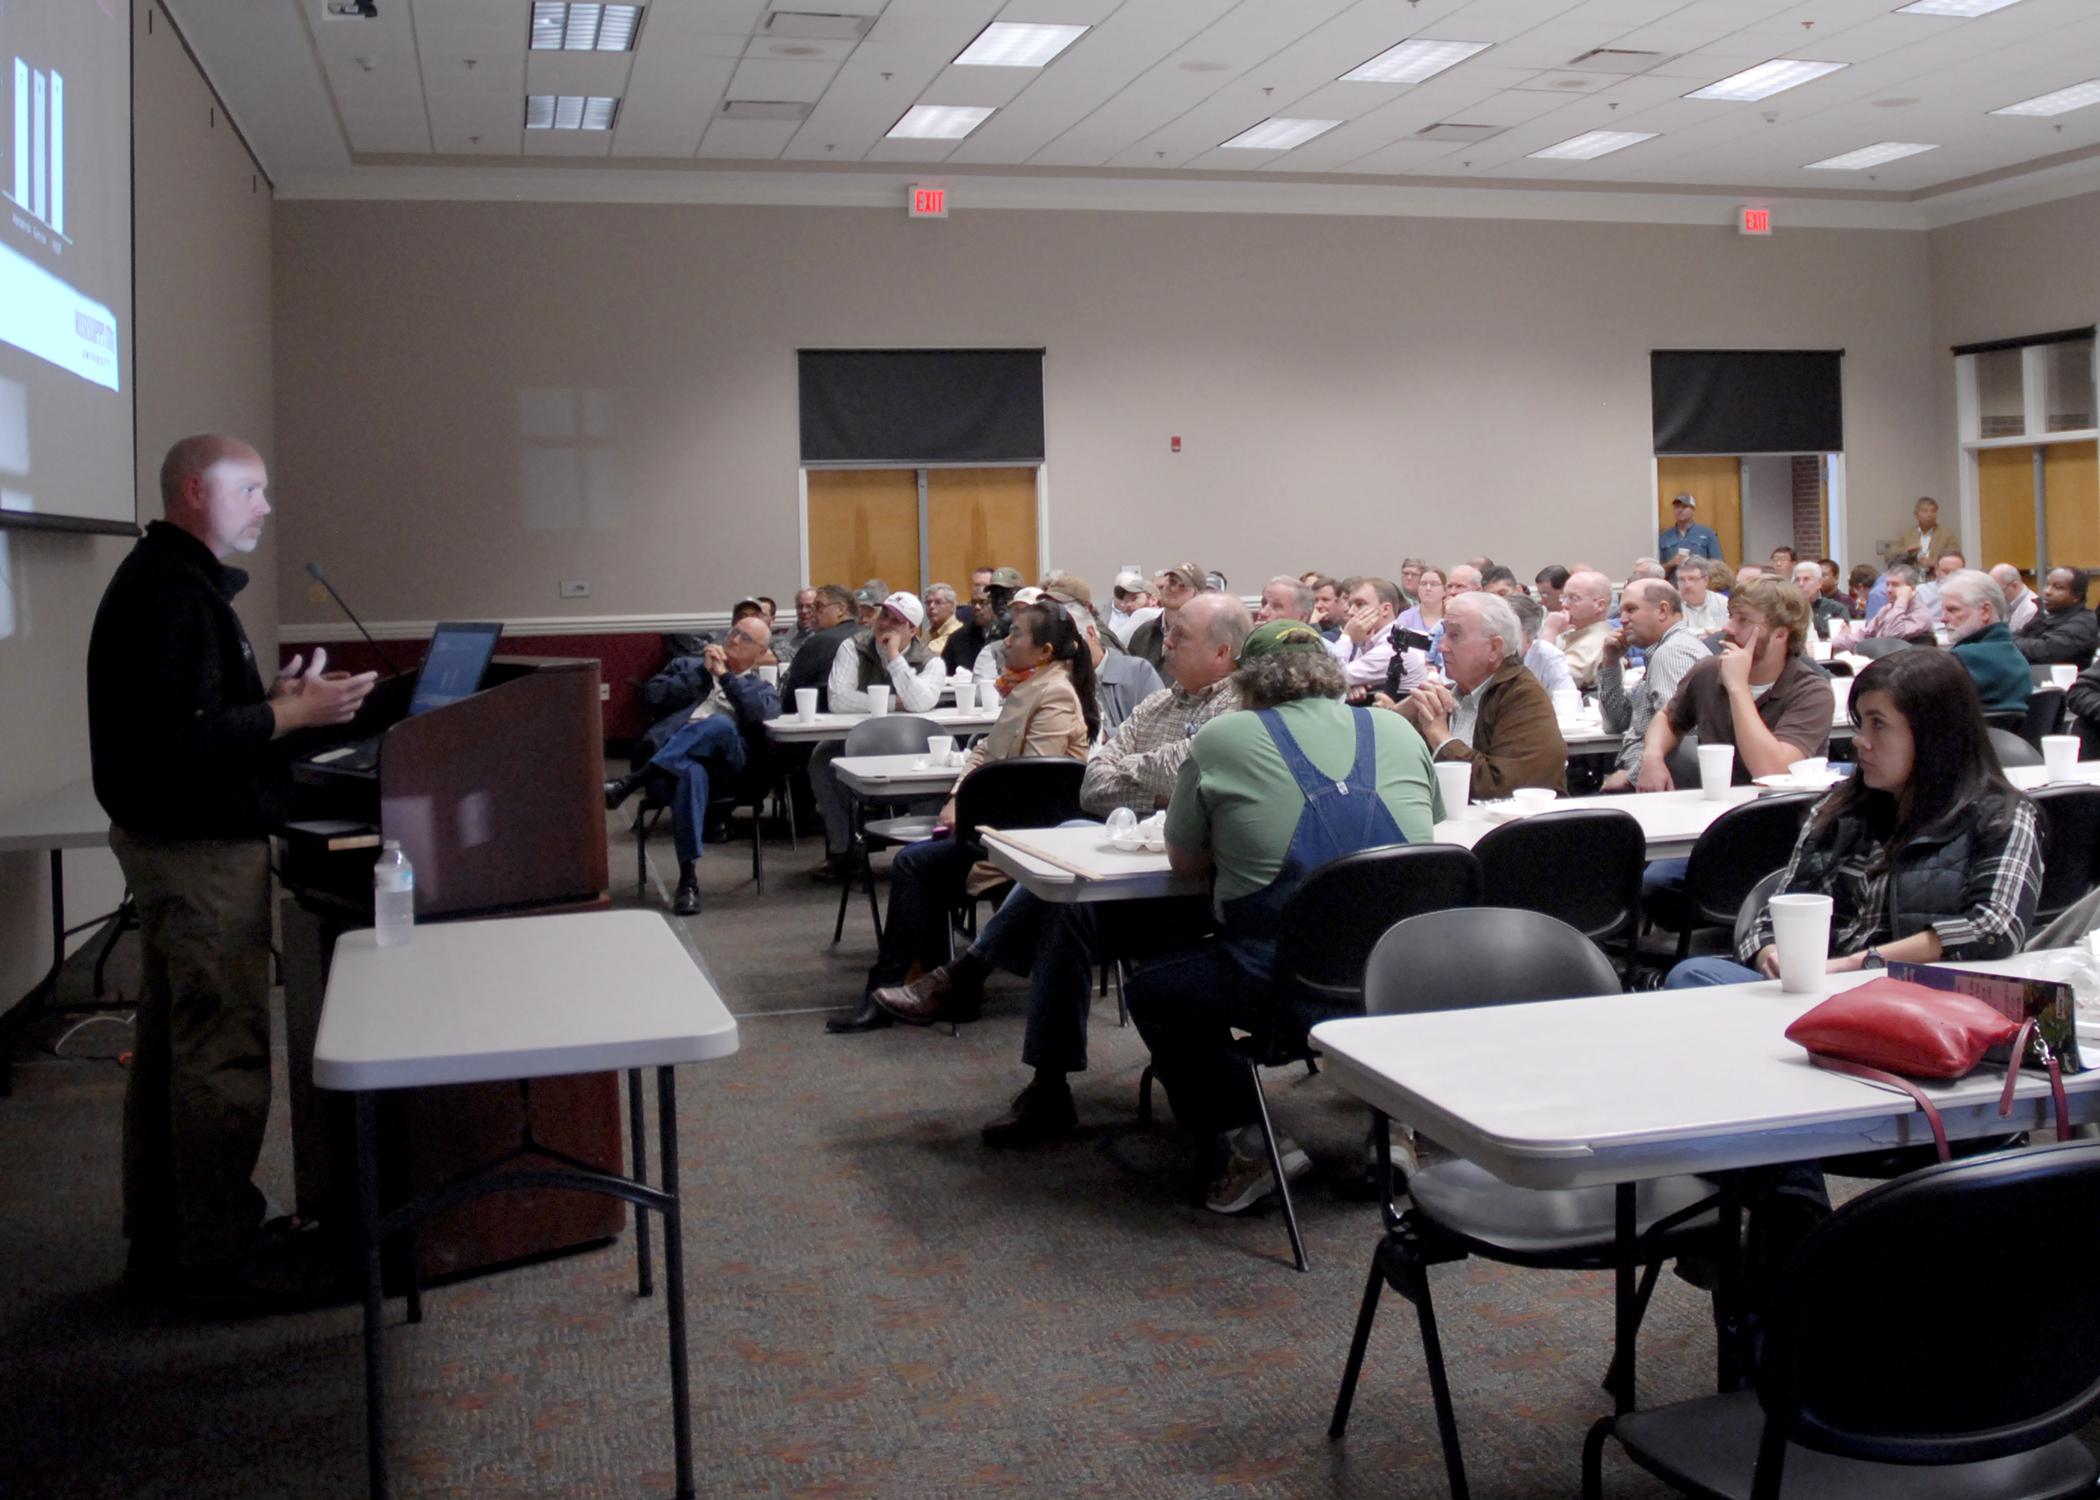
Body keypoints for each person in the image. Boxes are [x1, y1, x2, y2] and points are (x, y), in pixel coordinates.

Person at [89, 435, 378, 1303]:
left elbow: (199, 714)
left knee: (175, 1051)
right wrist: (290, 715)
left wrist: (276, 703)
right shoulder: (176, 594)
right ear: (193, 492)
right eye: (249, 490)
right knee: (221, 1054)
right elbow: (183, 741)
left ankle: (170, 1238)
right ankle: (216, 1256)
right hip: (200, 850)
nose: (264, 506)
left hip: (174, 841)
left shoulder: (169, 582)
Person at [870, 595, 1251, 1143]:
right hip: (1127, 870)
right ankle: (1046, 1086)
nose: (1164, 644)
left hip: (1194, 887)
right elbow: (1094, 783)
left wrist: (1146, 770)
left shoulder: (1237, 708)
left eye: (1178, 637)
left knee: (1068, 873)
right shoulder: (1159, 706)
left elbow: (1187, 766)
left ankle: (973, 984)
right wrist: (1159, 772)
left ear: (1222, 650)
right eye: (1166, 633)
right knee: (1066, 902)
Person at [1126, 621, 1444, 1213]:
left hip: (1278, 986)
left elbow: (1186, 862)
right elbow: (1435, 825)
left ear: (1244, 681)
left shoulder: (1223, 737)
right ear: (1330, 674)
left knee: (1154, 989)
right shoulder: (1395, 728)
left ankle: (1248, 1143)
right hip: (1406, 979)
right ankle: (1397, 1130)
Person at [1669, 648, 2039, 986]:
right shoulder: (1840, 809)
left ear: (1934, 734)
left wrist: (1857, 965)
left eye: (1878, 724)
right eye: (1860, 723)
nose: (1861, 740)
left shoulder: (2001, 814)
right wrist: (1771, 953)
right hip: (1817, 987)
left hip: (1915, 995)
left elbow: (1995, 928)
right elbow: (1771, 918)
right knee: (1691, 974)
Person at [829, 602, 1098, 1033]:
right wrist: (957, 796)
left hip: (1026, 843)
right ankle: (944, 990)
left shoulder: (1055, 694)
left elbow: (1034, 783)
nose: (1005, 641)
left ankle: (904, 988)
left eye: (1016, 635)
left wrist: (971, 808)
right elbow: (984, 752)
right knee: (922, 862)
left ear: (1044, 651)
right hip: (999, 830)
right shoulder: (1027, 686)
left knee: (914, 863)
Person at [606, 616, 779, 915]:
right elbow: (652, 697)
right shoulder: (688, 666)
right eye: (734, 632)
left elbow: (756, 716)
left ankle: (634, 781)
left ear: (761, 654)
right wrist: (702, 672)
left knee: (720, 724)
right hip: (677, 772)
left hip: (729, 772)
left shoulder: (761, 687)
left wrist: (725, 677)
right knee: (689, 771)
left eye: (745, 639)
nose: (734, 640)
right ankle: (688, 882)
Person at [1639, 574, 1834, 792]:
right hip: (1716, 810)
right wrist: (1653, 756)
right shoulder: (1709, 671)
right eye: (1730, 616)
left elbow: (1772, 773)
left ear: (1780, 635)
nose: (1729, 628)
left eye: (1744, 620)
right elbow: (1668, 717)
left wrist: (1738, 688)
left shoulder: (1812, 691)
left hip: (1784, 813)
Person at [1389, 591, 1567, 798]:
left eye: (1454, 635)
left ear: (1494, 647)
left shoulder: (1523, 697)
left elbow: (1503, 789)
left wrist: (1440, 737)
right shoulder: (1449, 696)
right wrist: (1399, 715)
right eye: (1444, 633)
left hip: (1512, 828)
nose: (1442, 646)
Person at [1598, 579, 1708, 792]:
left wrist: (1630, 777)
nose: (1622, 620)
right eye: (1621, 611)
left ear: (1662, 611)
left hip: (1654, 784)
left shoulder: (1672, 653)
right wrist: (1610, 663)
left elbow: (1681, 728)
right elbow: (1616, 723)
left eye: (1631, 610)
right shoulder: (1661, 651)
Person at [1061, 592, 1163, 735]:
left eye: (1067, 643)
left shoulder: (1138, 672)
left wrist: (1105, 735)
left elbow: (1159, 727)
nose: (1063, 653)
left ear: (1090, 634)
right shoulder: (1059, 679)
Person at [1939, 568, 2033, 717]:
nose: (1943, 618)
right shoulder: (2018, 658)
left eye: (1953, 610)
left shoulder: (1959, 660)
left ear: (1985, 611)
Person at [1327, 575, 1416, 697]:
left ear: (1385, 609)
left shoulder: (1393, 646)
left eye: (1360, 604)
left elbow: (1329, 678)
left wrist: (1347, 636)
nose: (1351, 612)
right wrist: (1353, 686)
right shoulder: (1370, 638)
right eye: (1350, 604)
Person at [782, 583, 857, 711]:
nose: (812, 612)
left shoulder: (818, 641)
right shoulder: (868, 635)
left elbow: (791, 691)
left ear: (841, 609)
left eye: (818, 606)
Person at [942, 566, 1022, 675]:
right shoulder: (960, 638)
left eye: (1006, 594)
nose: (1000, 601)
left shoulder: (1033, 634)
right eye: (994, 596)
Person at [1126, 562, 1206, 671]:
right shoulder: (1144, 632)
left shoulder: (1202, 636)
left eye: (1183, 586)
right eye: (1172, 582)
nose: (1173, 589)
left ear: (1197, 594)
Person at [2014, 566, 2100, 665]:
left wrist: (2008, 642)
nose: (2047, 591)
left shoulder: (2084, 622)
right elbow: (2019, 636)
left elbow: (2045, 651)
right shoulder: (2047, 615)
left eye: (2058, 587)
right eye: (2047, 585)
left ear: (2076, 596)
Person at [1835, 563, 1933, 648]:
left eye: (1895, 585)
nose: (1889, 590)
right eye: (1887, 584)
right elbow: (1864, 635)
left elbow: (1893, 635)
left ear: (1911, 588)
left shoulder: (1921, 614)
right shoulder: (1886, 609)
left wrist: (1902, 600)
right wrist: (1838, 640)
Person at [1553, 568, 1614, 691]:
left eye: (1573, 598)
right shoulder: (1579, 634)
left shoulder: (1591, 644)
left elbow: (1550, 681)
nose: (1564, 604)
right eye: (1564, 597)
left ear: (1599, 605)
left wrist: (1550, 632)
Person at [1510, 593, 1574, 697]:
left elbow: (1568, 702)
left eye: (1506, 631)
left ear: (1528, 634)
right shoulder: (1485, 652)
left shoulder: (1547, 654)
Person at [1396, 566, 1446, 660]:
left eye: (1434, 584)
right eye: (1423, 584)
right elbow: (1398, 649)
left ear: (1445, 590)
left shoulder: (1451, 618)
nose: (1428, 588)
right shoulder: (1406, 617)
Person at [1896, 496, 1961, 569]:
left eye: (1933, 511)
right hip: (1912, 575)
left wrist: (1935, 563)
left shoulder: (1947, 534)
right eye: (1925, 511)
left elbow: (1957, 558)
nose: (1929, 514)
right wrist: (1907, 550)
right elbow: (1890, 555)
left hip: (1936, 576)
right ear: (1916, 514)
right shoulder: (1906, 534)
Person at [1791, 560, 1851, 638]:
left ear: (1819, 582)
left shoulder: (1836, 609)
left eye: (1806, 579)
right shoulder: (1788, 609)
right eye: (1797, 580)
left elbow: (1844, 639)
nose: (1801, 584)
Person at [1658, 494, 1721, 566]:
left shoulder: (1707, 534)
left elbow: (1718, 566)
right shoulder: (1665, 537)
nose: (1680, 510)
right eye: (1677, 507)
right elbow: (1660, 572)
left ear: (1693, 510)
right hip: (1674, 577)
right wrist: (1672, 563)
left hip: (1699, 576)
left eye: (1684, 507)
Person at [1675, 556, 1728, 639]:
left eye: (1692, 579)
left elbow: (1729, 631)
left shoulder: (1722, 602)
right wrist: (1705, 632)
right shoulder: (1672, 604)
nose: (1686, 585)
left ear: (1705, 581)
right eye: (1682, 579)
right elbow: (1674, 633)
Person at [1108, 570, 1160, 644]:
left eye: (1134, 598)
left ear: (1153, 600)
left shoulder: (1144, 614)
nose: (1127, 605)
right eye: (1126, 601)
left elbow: (1115, 644)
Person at [1992, 562, 2040, 634]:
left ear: (2014, 585)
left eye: (1998, 591)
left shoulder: (2033, 609)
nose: (1994, 596)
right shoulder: (2007, 602)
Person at [920, 582, 963, 654]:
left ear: (952, 606)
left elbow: (924, 655)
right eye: (928, 602)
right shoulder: (928, 632)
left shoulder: (958, 632)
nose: (931, 606)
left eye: (938, 602)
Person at [1309, 574, 1346, 641]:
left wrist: (1313, 626)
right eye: (1315, 600)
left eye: (1325, 600)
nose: (1318, 605)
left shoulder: (1345, 629)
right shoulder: (1307, 623)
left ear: (1339, 602)